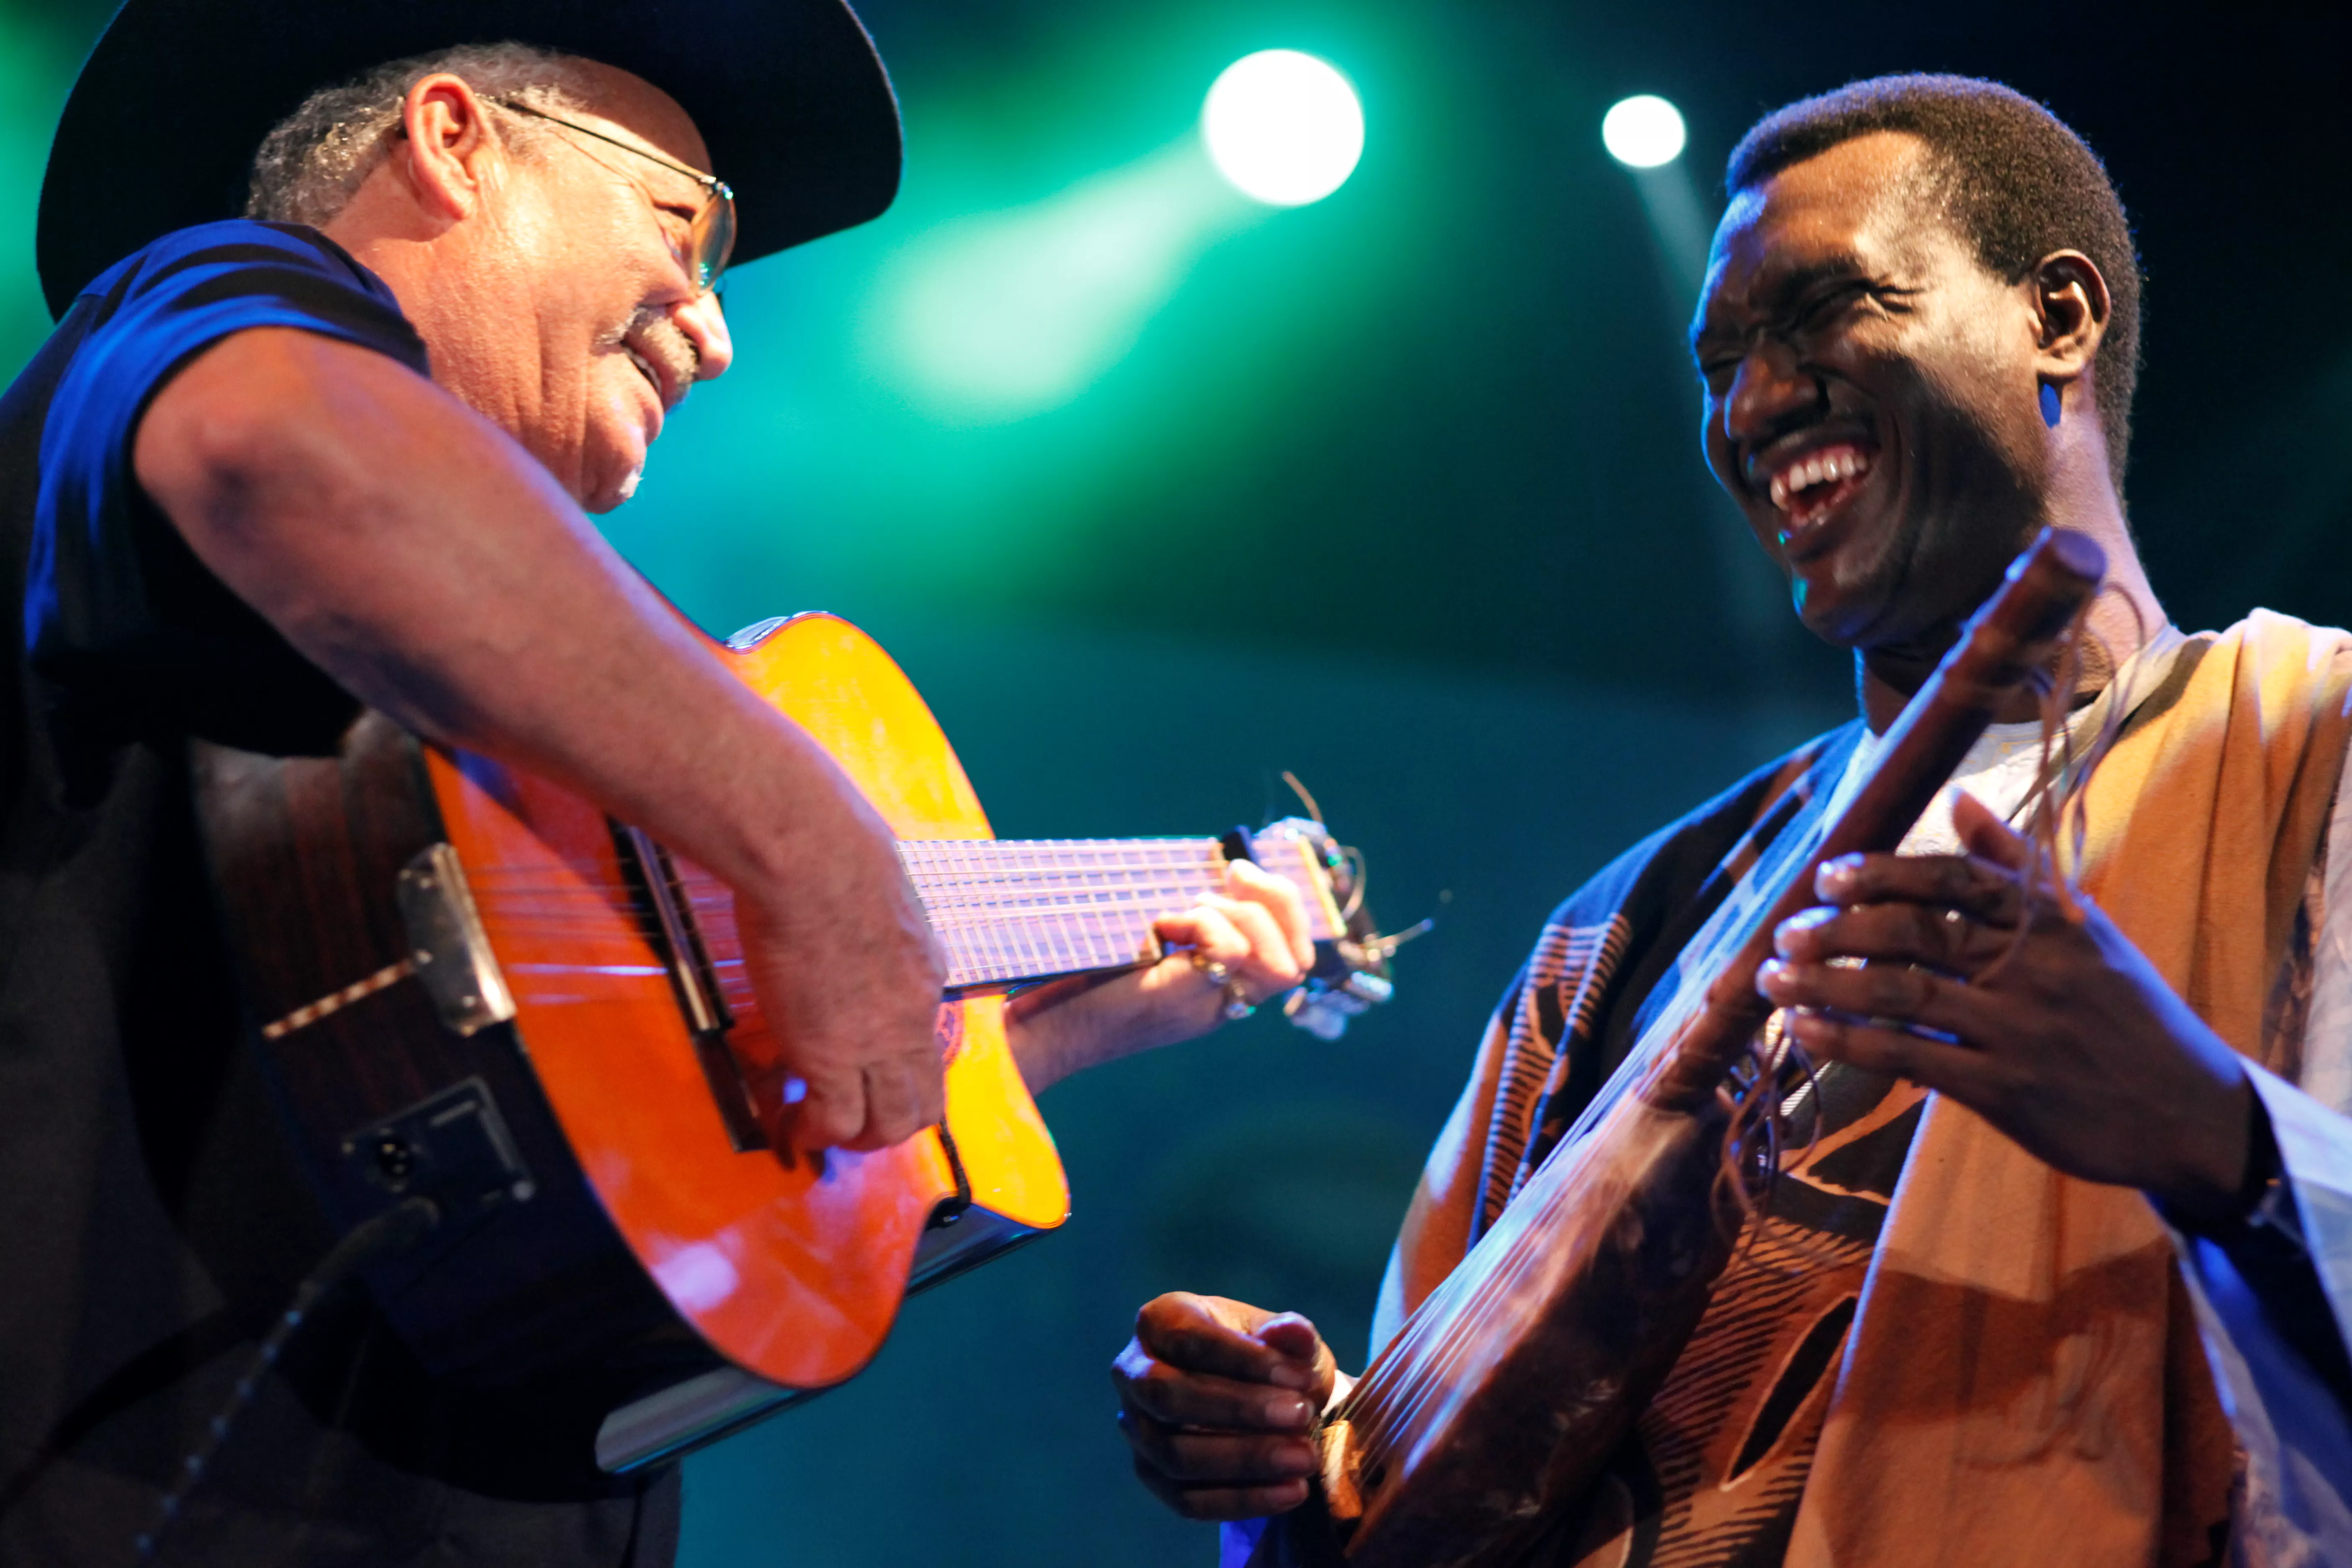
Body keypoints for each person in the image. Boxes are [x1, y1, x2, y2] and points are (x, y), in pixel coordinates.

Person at [0, 4, 1313, 1565]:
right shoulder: (213, 297)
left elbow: (629, 1179)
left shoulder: (557, 711)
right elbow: (278, 447)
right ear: (454, 141)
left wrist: (1015, 1043)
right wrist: (816, 851)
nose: (716, 330)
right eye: (687, 231)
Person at [1114, 75, 2352, 1565]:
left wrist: (2210, 1132)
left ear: (2059, 318)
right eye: (1721, 364)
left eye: (1829, 310)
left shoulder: (2314, 750)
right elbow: (1415, 1473)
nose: (1754, 407)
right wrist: (1296, 1445)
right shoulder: (1638, 923)